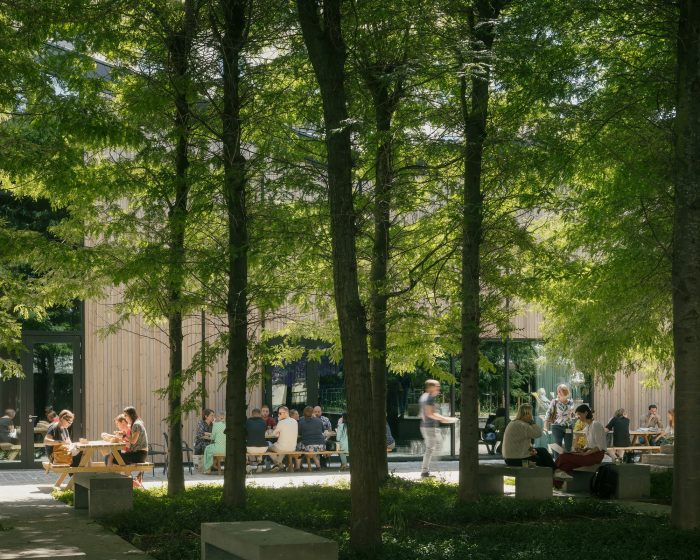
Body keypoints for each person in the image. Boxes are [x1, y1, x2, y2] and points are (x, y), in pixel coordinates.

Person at [553, 404, 606, 479]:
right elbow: (591, 445)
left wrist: (585, 453)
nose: (577, 417)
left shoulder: (596, 425)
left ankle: (551, 474)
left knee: (563, 457)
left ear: (586, 413)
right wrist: (582, 450)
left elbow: (599, 447)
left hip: (596, 456)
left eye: (579, 414)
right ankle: (555, 483)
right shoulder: (588, 426)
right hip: (589, 453)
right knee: (565, 465)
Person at [502, 404, 555, 469]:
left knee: (542, 451)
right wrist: (532, 422)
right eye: (530, 414)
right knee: (541, 460)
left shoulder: (512, 423)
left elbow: (520, 441)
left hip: (510, 459)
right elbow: (538, 433)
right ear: (527, 414)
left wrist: (531, 449)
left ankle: (554, 470)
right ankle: (553, 471)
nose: (531, 416)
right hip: (518, 460)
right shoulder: (522, 425)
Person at [418, 379, 453, 478]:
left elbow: (422, 413)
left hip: (426, 426)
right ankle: (425, 471)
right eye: (437, 386)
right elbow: (430, 414)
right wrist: (445, 419)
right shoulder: (429, 398)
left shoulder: (424, 396)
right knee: (432, 448)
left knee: (435, 446)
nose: (438, 388)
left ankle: (427, 469)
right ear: (431, 387)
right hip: (429, 427)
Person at [544, 384, 574, 458]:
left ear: (565, 392)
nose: (559, 393)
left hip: (568, 426)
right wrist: (545, 426)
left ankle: (567, 462)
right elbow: (548, 413)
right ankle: (557, 462)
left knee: (568, 446)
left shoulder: (570, 402)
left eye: (561, 391)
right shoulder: (554, 402)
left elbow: (572, 414)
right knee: (558, 446)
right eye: (558, 391)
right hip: (557, 426)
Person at [122, 406, 149, 487]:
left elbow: (133, 441)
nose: (125, 417)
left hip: (139, 455)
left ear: (130, 415)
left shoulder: (136, 425)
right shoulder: (138, 423)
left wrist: (124, 436)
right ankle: (132, 483)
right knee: (115, 457)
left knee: (113, 457)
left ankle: (133, 484)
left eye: (126, 415)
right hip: (140, 454)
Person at [296, 405, 326, 470]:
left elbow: (299, 433)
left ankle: (298, 467)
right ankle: (318, 466)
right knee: (312, 450)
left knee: (298, 448)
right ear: (313, 412)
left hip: (309, 446)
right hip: (321, 446)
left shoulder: (301, 422)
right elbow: (323, 431)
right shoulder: (319, 420)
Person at [269, 406, 298, 472]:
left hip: (282, 448)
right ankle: (280, 465)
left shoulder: (281, 422)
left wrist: (279, 421)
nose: (278, 415)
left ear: (285, 413)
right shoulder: (295, 421)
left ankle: (278, 464)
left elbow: (274, 434)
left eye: (280, 413)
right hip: (292, 448)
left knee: (268, 448)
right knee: (283, 449)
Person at [245, 408, 268, 473]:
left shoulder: (248, 422)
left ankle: (247, 463)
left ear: (252, 414)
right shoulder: (263, 422)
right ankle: (260, 463)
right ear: (260, 414)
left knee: (242, 445)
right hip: (263, 449)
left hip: (250, 448)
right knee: (261, 441)